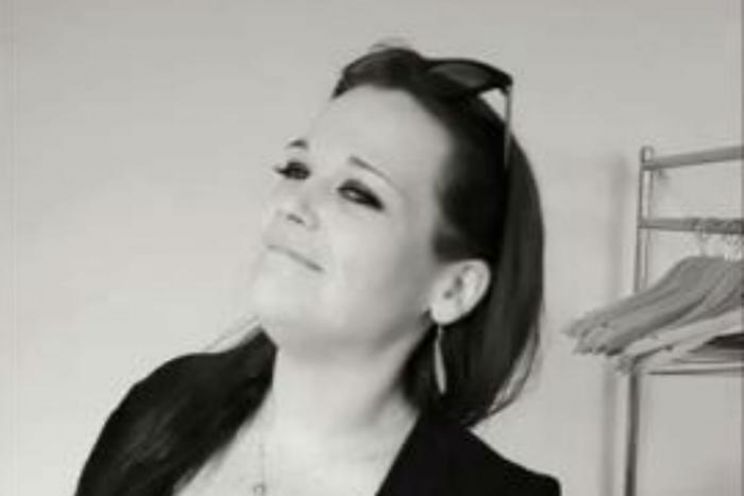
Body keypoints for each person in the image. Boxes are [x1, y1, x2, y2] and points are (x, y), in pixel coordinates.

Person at [74, 45, 561, 496]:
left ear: (454, 289)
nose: (294, 204)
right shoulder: (160, 405)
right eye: (296, 170)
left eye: (358, 193)